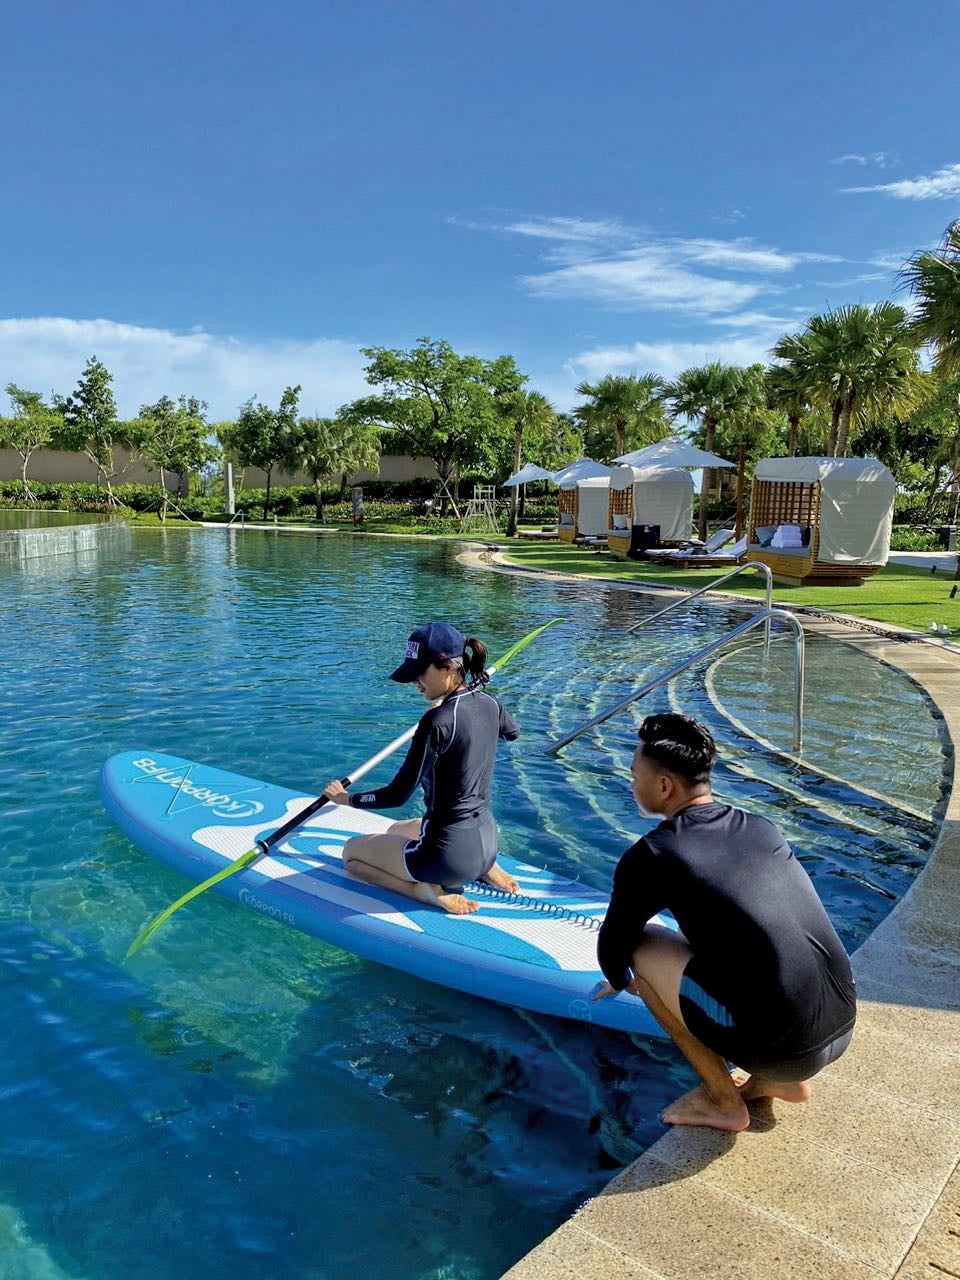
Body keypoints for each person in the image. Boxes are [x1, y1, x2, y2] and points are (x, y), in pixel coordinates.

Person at [593, 713, 856, 1132]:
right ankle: (776, 1083)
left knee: (642, 947)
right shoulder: (760, 827)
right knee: (741, 940)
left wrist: (628, 979)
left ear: (664, 786)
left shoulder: (656, 853)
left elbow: (613, 950)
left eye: (634, 775)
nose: (631, 784)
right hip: (841, 1026)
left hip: (781, 1047)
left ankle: (722, 1100)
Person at [324, 622, 520, 915]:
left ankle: (421, 890)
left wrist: (346, 799)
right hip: (487, 842)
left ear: (447, 667)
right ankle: (487, 868)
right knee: (395, 830)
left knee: (352, 854)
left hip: (446, 859)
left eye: (421, 671)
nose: (415, 680)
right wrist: (461, 702)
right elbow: (511, 732)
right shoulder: (491, 703)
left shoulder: (436, 722)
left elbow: (397, 795)